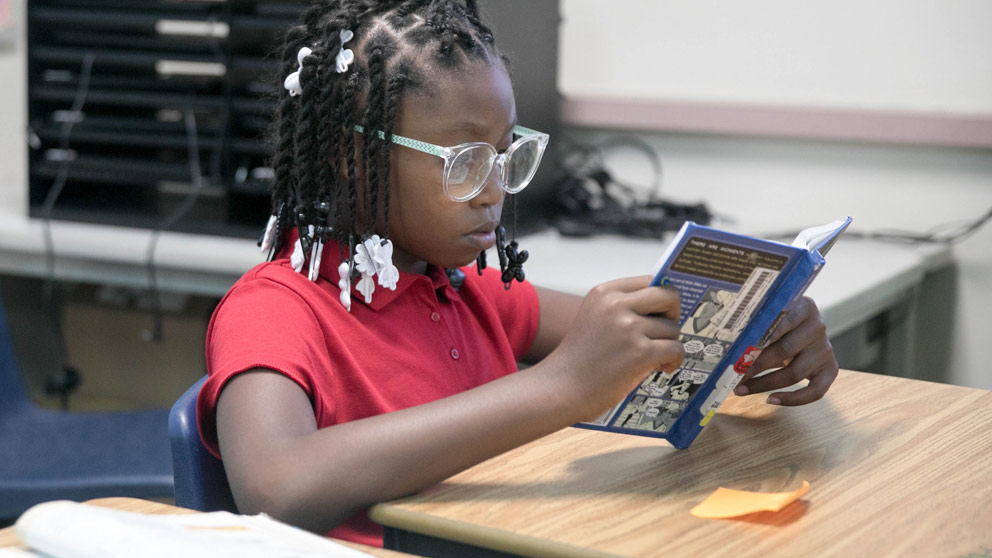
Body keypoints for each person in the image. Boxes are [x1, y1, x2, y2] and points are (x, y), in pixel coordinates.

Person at [196, 0, 839, 547]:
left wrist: (752, 330)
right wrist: (559, 388)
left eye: (505, 155)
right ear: (351, 155)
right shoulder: (274, 310)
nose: (494, 191)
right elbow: (275, 487)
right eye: (465, 161)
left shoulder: (459, 287)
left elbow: (631, 338)